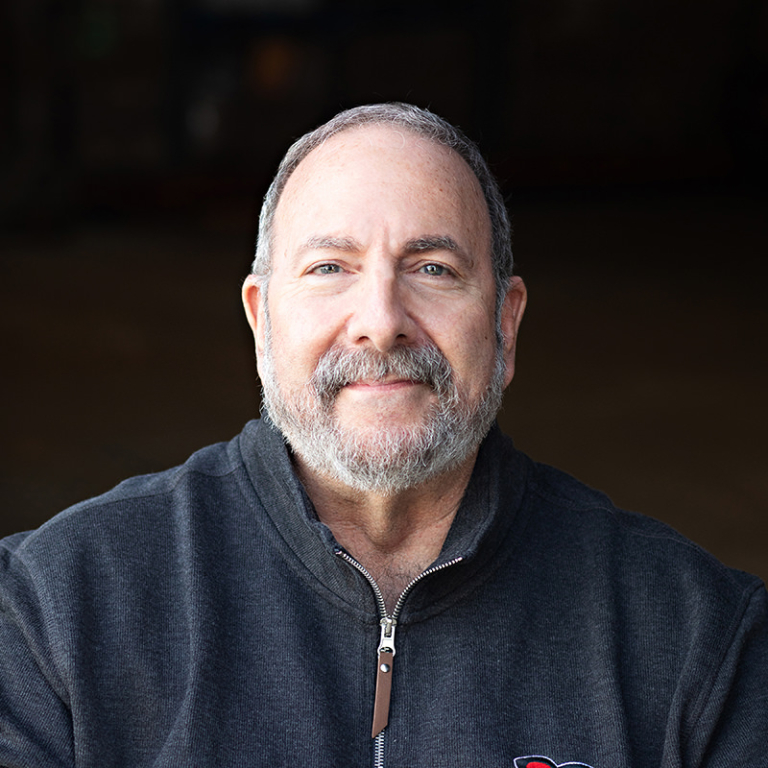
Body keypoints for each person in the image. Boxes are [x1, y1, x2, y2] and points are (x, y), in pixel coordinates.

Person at [1, 103, 766, 768]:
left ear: (504, 326)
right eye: (330, 267)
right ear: (262, 323)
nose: (380, 320)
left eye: (432, 269)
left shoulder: (701, 641)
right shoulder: (52, 613)